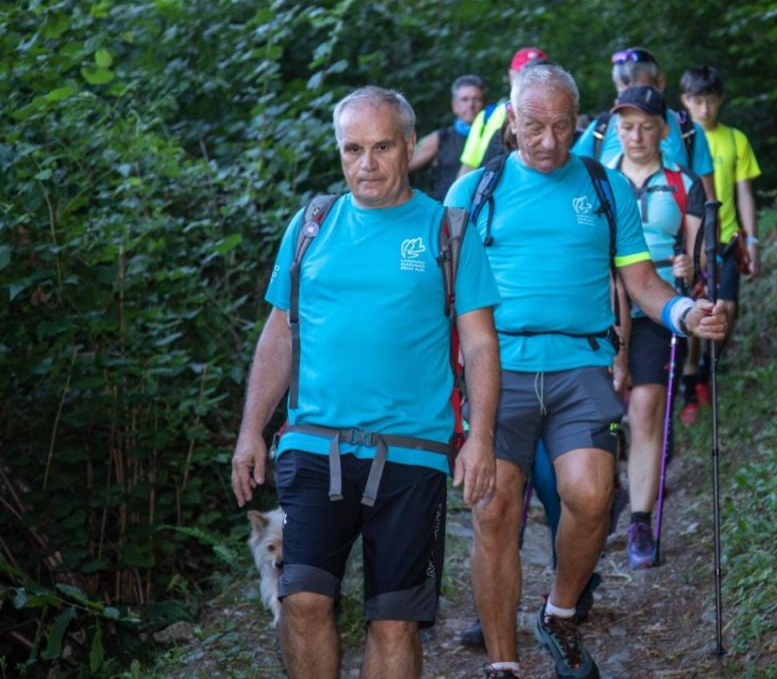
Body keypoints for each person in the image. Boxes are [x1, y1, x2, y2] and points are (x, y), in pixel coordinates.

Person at [445, 63, 726, 679]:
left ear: (581, 124)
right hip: (499, 371)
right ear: (511, 122)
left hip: (581, 366)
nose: (548, 142)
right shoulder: (472, 193)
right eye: (535, 127)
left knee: (594, 496)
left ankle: (560, 615)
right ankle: (502, 664)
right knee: (494, 509)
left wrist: (685, 313)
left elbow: (643, 283)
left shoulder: (605, 187)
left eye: (562, 127)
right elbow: (441, 298)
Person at [231, 86, 502, 679]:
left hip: (413, 450)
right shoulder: (311, 226)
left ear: (411, 147)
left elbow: (481, 343)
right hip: (311, 443)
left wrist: (479, 438)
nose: (367, 163)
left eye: (382, 147)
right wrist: (252, 430)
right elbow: (278, 333)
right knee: (301, 598)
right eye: (353, 149)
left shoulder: (448, 231)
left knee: (393, 620)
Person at [605, 84, 705, 570]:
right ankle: (602, 493)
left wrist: (692, 276)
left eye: (647, 126)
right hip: (601, 308)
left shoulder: (685, 182)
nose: (636, 136)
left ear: (664, 131)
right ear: (614, 130)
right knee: (600, 415)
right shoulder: (597, 182)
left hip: (657, 307)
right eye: (627, 126)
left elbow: (699, 256)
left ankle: (640, 520)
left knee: (644, 410)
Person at [678, 65, 761, 425]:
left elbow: (745, 192)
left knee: (727, 310)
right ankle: (691, 378)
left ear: (720, 100)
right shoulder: (680, 140)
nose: (705, 108)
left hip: (727, 240)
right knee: (695, 311)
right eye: (698, 101)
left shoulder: (736, 139)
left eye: (711, 100)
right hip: (693, 243)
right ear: (685, 102)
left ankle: (710, 368)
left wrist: (752, 239)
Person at [571, 47, 715, 200]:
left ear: (660, 82)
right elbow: (570, 182)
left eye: (643, 91)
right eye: (624, 94)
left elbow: (709, 202)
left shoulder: (688, 131)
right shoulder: (601, 129)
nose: (635, 99)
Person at [458, 47, 548, 178]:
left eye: (540, 74)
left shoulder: (558, 115)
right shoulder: (487, 116)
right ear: (512, 75)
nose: (532, 80)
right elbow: (468, 168)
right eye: (525, 74)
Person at [408, 74, 487, 200]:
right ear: (454, 105)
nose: (471, 105)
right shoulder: (440, 138)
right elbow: (401, 165)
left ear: (484, 103)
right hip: (447, 214)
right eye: (464, 100)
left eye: (476, 99)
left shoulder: (495, 138)